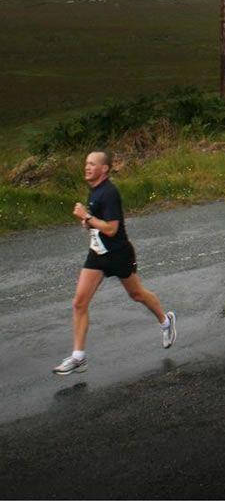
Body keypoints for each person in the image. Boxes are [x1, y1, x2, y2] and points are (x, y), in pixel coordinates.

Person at [52, 151, 176, 376]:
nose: (87, 167)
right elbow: (100, 225)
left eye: (92, 164)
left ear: (104, 169)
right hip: (98, 254)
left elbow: (112, 228)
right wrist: (88, 223)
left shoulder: (109, 192)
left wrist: (87, 217)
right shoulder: (95, 190)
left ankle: (165, 321)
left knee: (137, 294)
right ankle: (79, 357)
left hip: (118, 254)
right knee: (79, 302)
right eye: (86, 163)